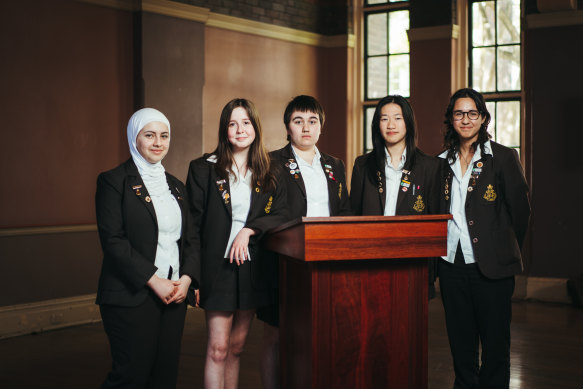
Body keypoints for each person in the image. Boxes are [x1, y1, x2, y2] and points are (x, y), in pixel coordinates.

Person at [186, 98, 287, 389]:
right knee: (218, 348)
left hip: (253, 268)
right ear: (224, 130)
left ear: (255, 127)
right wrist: (192, 275)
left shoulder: (271, 170)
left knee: (237, 348)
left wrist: (250, 230)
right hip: (218, 269)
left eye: (246, 123)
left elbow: (281, 214)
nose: (240, 130)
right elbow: (192, 226)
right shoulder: (203, 169)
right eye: (232, 124)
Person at [95, 108, 199, 389]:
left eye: (164, 135)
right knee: (130, 377)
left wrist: (186, 280)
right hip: (132, 295)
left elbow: (190, 239)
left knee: (164, 378)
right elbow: (113, 241)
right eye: (149, 135)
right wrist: (154, 281)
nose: (158, 142)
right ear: (134, 137)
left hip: (175, 295)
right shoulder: (113, 182)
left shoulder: (177, 187)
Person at [438, 88, 531, 388]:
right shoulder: (440, 163)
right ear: (451, 119)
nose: (465, 119)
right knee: (461, 347)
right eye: (459, 113)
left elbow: (521, 212)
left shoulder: (503, 157)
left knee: (495, 349)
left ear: (483, 118)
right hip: (452, 266)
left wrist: (500, 249)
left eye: (472, 113)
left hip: (492, 268)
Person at [257, 95, 352, 389]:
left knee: (322, 333)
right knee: (277, 334)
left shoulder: (334, 165)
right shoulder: (272, 162)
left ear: (321, 127)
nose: (306, 128)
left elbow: (344, 210)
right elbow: (266, 211)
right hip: (285, 262)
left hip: (328, 262)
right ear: (288, 127)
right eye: (298, 121)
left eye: (312, 121)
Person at [350, 95, 440, 295]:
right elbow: (352, 217)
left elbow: (435, 223)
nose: (391, 124)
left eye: (398, 118)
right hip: (370, 262)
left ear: (408, 122)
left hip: (414, 264)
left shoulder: (430, 166)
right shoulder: (363, 165)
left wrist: (430, 273)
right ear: (377, 124)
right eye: (384, 118)